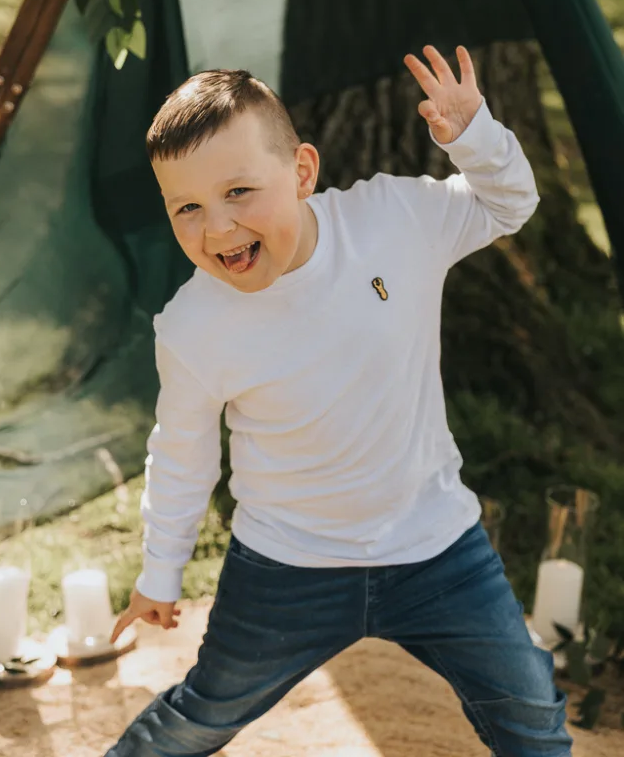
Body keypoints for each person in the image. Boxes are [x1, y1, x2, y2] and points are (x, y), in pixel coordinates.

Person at [104, 46, 572, 757]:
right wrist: (159, 573)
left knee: (531, 714)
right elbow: (182, 453)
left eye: (238, 193)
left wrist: (474, 137)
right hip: (285, 567)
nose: (218, 228)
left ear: (300, 172)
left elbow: (509, 203)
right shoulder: (193, 325)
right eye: (187, 208)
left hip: (436, 547)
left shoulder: (392, 219)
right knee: (201, 715)